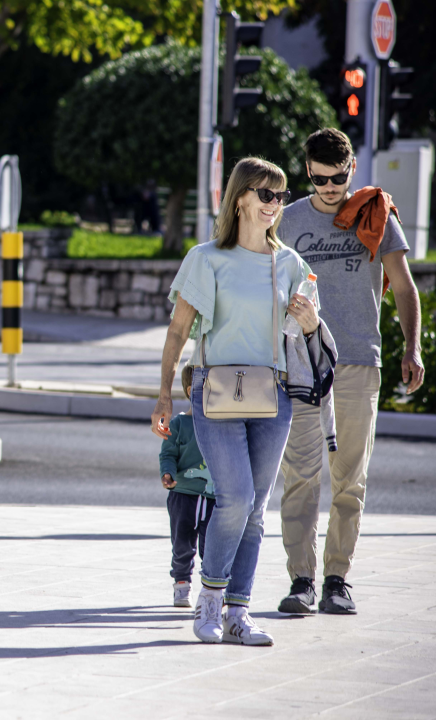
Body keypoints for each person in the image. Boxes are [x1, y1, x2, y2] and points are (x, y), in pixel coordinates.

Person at [152, 157, 318, 646]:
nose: (274, 205)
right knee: (236, 498)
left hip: (273, 391)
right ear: (240, 197)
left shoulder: (288, 263)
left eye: (281, 196)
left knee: (254, 508)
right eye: (265, 194)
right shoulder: (207, 258)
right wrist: (164, 394)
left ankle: (237, 613)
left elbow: (308, 332)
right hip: (214, 388)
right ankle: (209, 599)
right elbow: (178, 331)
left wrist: (308, 320)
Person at [275, 128, 424, 616]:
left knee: (349, 478)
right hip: (300, 361)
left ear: (351, 169)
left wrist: (413, 348)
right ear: (308, 172)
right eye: (320, 179)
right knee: (300, 474)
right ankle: (301, 580)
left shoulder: (374, 212)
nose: (330, 188)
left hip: (358, 358)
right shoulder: (289, 220)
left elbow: (404, 287)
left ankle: (337, 578)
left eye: (338, 177)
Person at [158, 369, 215, 609]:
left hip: (213, 498)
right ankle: (181, 583)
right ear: (193, 392)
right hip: (183, 496)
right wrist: (167, 473)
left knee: (210, 546)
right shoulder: (179, 424)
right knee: (182, 543)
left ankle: (211, 586)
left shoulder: (221, 426)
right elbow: (167, 454)